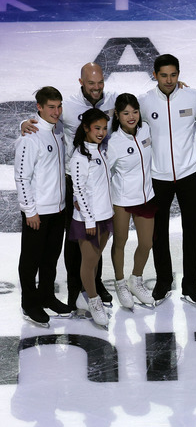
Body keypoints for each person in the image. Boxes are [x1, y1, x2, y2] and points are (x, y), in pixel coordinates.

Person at [21, 63, 116, 308]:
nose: (96, 88)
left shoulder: (112, 100)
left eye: (100, 82)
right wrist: (24, 123)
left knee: (98, 232)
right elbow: (43, 120)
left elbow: (137, 109)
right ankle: (74, 287)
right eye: (91, 83)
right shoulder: (68, 107)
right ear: (81, 82)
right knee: (75, 238)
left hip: (100, 178)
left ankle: (94, 281)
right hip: (73, 181)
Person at [138, 54, 196, 307]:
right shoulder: (145, 102)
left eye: (173, 75)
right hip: (159, 177)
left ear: (179, 74)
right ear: (154, 75)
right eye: (164, 75)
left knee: (191, 231)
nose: (169, 80)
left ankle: (191, 284)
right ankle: (163, 280)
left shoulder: (193, 96)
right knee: (159, 232)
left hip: (189, 175)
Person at [15, 86, 71, 326]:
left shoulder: (57, 131)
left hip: (58, 209)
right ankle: (29, 303)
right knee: (31, 259)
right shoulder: (30, 137)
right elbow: (21, 176)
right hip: (38, 212)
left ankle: (47, 296)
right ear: (39, 107)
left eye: (59, 106)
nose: (56, 112)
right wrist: (30, 210)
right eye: (51, 107)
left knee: (50, 257)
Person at [106, 93, 156, 310]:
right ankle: (119, 283)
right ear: (117, 115)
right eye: (126, 113)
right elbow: (104, 172)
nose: (131, 116)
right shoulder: (114, 142)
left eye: (134, 111)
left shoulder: (145, 130)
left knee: (147, 243)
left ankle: (136, 280)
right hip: (122, 200)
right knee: (120, 242)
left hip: (146, 197)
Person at [70, 108, 114, 327]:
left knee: (95, 260)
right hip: (89, 219)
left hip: (105, 215)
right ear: (86, 128)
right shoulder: (79, 156)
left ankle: (84, 296)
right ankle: (94, 301)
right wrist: (88, 220)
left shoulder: (100, 150)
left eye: (104, 128)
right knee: (88, 262)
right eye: (97, 128)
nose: (101, 132)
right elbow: (78, 189)